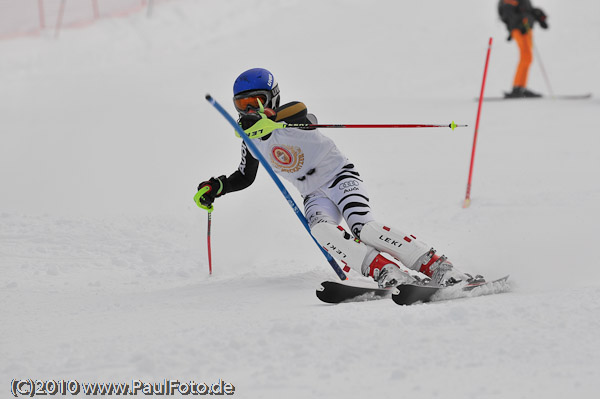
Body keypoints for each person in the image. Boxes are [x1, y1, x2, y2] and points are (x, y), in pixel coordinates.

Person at [196, 68, 482, 288]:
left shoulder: (291, 117)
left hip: (338, 176)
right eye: (242, 104)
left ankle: (439, 267)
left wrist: (273, 120)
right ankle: (386, 271)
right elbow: (245, 176)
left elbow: (303, 113)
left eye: (256, 101)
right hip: (313, 194)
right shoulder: (250, 142)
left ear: (272, 98)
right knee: (321, 231)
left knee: (363, 228)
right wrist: (215, 187)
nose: (249, 110)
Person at [498, 0, 549, 98]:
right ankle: (517, 87)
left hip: (526, 29)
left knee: (528, 57)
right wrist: (519, 25)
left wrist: (540, 17)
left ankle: (521, 87)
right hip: (519, 30)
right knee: (525, 56)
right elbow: (508, 13)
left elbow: (527, 11)